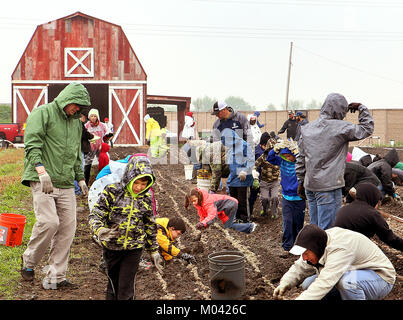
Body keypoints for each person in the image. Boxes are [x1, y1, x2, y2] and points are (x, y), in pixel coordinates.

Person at [20, 82, 91, 289]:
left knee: (68, 228)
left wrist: (80, 179)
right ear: (67, 99)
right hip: (43, 179)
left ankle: (56, 276)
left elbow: (76, 154)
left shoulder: (76, 123)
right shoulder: (43, 113)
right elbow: (32, 144)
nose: (78, 110)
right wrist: (41, 171)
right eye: (76, 105)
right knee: (50, 222)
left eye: (81, 108)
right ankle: (29, 261)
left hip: (66, 181)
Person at [88, 155, 163, 300]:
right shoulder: (112, 191)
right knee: (113, 286)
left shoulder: (146, 197)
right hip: (112, 247)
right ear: (130, 176)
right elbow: (95, 215)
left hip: (134, 249)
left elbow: (150, 226)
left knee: (126, 288)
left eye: (144, 184)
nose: (139, 187)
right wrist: (100, 230)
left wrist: (153, 251)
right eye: (137, 183)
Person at [295, 94, 374, 230]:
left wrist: (301, 181)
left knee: (314, 229)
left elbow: (301, 158)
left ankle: (312, 250)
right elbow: (367, 128)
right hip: (328, 187)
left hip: (310, 186)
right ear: (341, 110)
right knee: (328, 232)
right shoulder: (341, 127)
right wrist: (361, 108)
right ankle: (323, 252)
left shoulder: (307, 128)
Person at [273, 224, 396, 300]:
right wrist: (285, 283)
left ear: (314, 247)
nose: (304, 258)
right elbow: (300, 266)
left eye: (306, 253)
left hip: (381, 278)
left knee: (347, 282)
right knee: (308, 284)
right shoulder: (318, 242)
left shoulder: (340, 248)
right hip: (354, 272)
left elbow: (325, 281)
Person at [334, 183, 403, 252]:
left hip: (335, 245)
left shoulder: (344, 209)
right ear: (372, 198)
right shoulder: (372, 214)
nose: (377, 206)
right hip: (351, 250)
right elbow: (389, 238)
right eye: (378, 202)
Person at [267, 139, 305, 253]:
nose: (287, 158)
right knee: (287, 222)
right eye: (285, 156)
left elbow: (306, 161)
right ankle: (287, 246)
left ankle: (298, 246)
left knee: (298, 223)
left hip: (299, 198)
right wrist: (274, 150)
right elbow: (270, 158)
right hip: (286, 198)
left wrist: (298, 153)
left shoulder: (300, 164)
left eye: (289, 156)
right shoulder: (282, 161)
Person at [185, 188, 256, 234]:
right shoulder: (199, 203)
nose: (194, 203)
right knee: (228, 225)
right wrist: (202, 223)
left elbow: (212, 216)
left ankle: (250, 227)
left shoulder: (208, 201)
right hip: (223, 208)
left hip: (230, 205)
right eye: (192, 202)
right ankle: (247, 229)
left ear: (199, 197)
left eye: (194, 200)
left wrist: (203, 223)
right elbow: (202, 214)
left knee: (229, 226)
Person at [220, 128, 255, 222]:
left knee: (242, 200)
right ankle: (236, 218)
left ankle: (244, 219)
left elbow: (251, 160)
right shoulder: (231, 148)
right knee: (234, 200)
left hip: (242, 177)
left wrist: (245, 171)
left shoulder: (244, 145)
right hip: (233, 177)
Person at [252, 134, 280, 218]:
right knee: (264, 199)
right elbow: (255, 165)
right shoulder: (263, 157)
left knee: (274, 197)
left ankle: (274, 212)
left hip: (274, 182)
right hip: (264, 182)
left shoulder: (278, 157)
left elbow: (286, 164)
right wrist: (255, 176)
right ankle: (264, 209)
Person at [84, 108, 108, 186]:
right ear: (89, 117)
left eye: (95, 116)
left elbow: (108, 135)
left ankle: (103, 182)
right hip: (90, 148)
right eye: (92, 116)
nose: (93, 118)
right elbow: (83, 136)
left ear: (97, 117)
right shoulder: (86, 126)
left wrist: (104, 143)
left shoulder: (102, 125)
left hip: (100, 148)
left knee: (103, 164)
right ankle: (86, 183)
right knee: (87, 165)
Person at [74, 112, 94, 195]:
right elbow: (84, 134)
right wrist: (92, 136)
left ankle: (77, 189)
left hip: (77, 148)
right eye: (84, 117)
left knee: (78, 167)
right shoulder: (79, 124)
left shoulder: (74, 124)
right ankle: (77, 190)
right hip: (79, 148)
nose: (85, 119)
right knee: (79, 168)